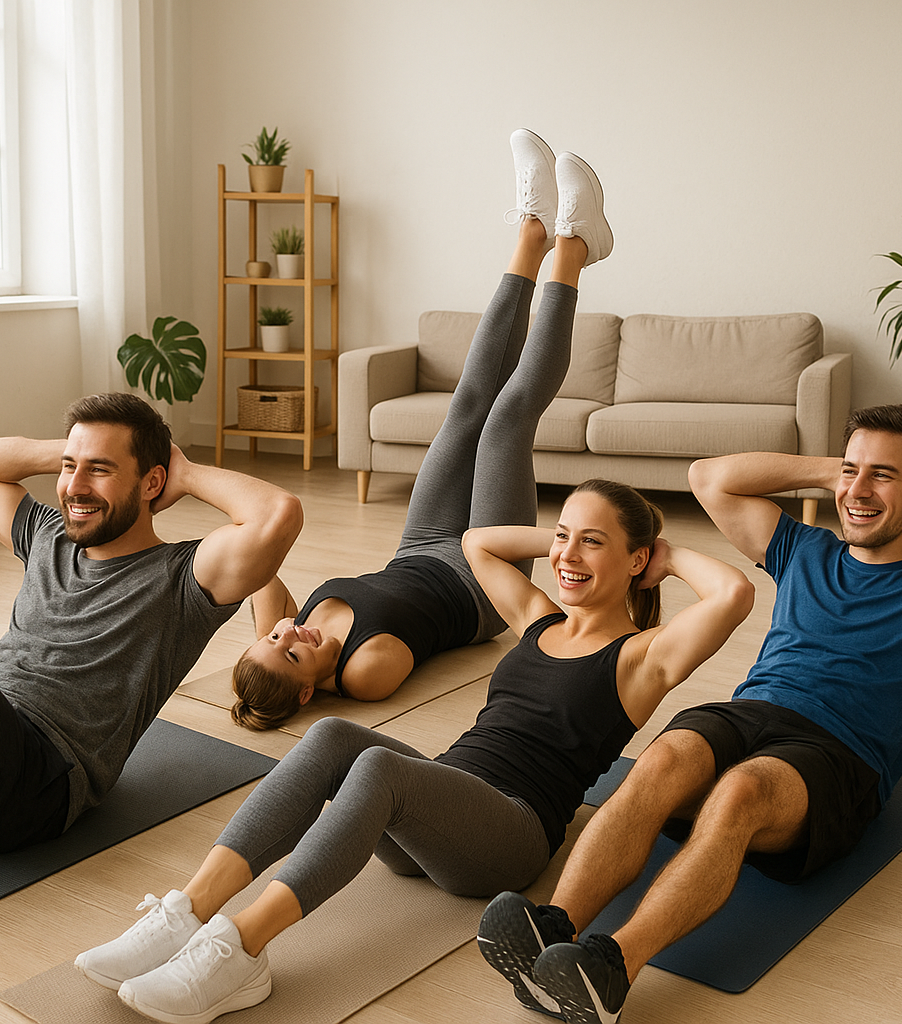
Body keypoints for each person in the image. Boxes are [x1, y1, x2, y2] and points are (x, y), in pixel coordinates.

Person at [70, 131, 753, 1024]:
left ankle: (235, 952)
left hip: (506, 840)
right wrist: (566, 535)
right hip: (437, 806)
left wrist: (652, 549)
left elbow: (734, 593)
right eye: (566, 546)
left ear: (636, 563)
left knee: (503, 412)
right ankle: (187, 913)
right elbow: (477, 551)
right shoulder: (540, 617)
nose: (568, 558)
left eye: (596, 547)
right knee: (330, 746)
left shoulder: (643, 657)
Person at [477, 402, 902, 1024]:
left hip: (840, 753)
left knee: (739, 793)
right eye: (851, 472)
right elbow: (709, 476)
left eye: (883, 477)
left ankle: (611, 969)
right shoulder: (804, 550)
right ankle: (553, 927)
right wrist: (839, 471)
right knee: (662, 759)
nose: (858, 492)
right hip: (751, 712)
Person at [229, 127, 619, 731]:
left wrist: (270, 629)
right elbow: (422, 654)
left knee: (466, 404)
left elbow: (260, 574)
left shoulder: (287, 634)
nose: (291, 632)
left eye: (275, 638)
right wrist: (305, 659)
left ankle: (532, 232)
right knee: (504, 423)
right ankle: (573, 247)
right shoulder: (362, 674)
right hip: (477, 586)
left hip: (418, 546)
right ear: (309, 692)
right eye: (294, 651)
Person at [0, 392, 302, 855]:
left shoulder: (182, 579)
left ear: (152, 483)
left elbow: (279, 513)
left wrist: (182, 471)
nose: (74, 486)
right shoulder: (47, 535)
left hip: (34, 780)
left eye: (101, 470)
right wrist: (79, 455)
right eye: (70, 468)